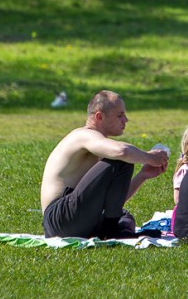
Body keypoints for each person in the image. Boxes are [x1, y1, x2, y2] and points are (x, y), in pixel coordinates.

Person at [40, 90, 169, 239]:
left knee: (125, 216)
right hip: (59, 218)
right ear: (99, 116)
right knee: (122, 160)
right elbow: (122, 151)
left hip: (71, 220)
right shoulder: (82, 135)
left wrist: (142, 176)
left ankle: (114, 231)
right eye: (119, 115)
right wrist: (150, 157)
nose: (126, 120)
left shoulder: (98, 146)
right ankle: (112, 232)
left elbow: (112, 202)